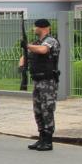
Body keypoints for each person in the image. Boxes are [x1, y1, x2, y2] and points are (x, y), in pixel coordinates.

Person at [21, 18, 60, 151]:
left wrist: (27, 45)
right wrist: (22, 63)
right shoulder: (37, 42)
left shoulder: (51, 41)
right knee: (38, 110)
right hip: (37, 81)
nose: (33, 29)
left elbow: (43, 50)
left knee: (47, 110)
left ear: (42, 28)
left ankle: (48, 141)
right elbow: (28, 54)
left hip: (48, 81)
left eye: (35, 27)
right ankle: (41, 137)